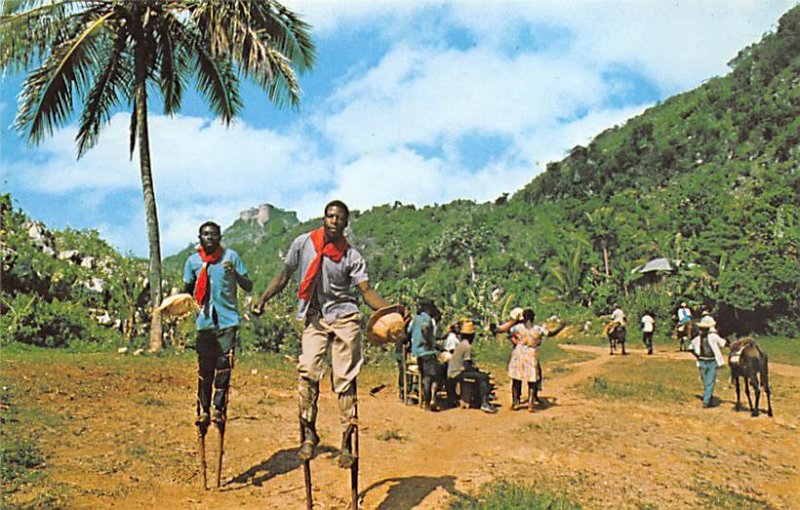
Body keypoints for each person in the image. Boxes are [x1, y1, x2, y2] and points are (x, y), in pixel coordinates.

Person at [252, 200, 389, 469]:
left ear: (346, 223)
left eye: (339, 218)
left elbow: (366, 292)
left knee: (344, 379)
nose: (334, 221)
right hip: (315, 316)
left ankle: (347, 441)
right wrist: (264, 297)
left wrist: (390, 311)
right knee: (308, 372)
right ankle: (309, 432)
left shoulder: (352, 257)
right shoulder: (303, 243)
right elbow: (284, 275)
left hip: (345, 317)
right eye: (330, 216)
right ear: (323, 218)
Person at [183, 221, 252, 426]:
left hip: (227, 320)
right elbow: (187, 289)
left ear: (220, 237)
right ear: (200, 238)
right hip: (204, 321)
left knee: (224, 365)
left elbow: (248, 285)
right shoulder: (193, 261)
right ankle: (203, 409)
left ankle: (218, 408)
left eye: (213, 234)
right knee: (205, 367)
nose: (209, 237)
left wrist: (235, 274)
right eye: (205, 234)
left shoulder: (231, 257)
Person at [495, 307, 546, 412]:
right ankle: (531, 404)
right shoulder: (538, 329)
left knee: (516, 378)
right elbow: (548, 335)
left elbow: (502, 330)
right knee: (532, 379)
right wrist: (561, 327)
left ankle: (515, 403)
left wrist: (512, 322)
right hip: (531, 353)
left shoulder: (517, 327)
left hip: (519, 353)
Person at [447, 319, 498, 414]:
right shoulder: (467, 347)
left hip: (454, 371)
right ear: (472, 336)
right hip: (457, 372)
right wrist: (477, 371)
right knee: (483, 377)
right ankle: (484, 403)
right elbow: (467, 365)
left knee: (479, 375)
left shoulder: (461, 344)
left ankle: (480, 399)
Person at [408, 299, 443, 411]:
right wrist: (432, 343)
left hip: (416, 354)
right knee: (435, 376)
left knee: (425, 377)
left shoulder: (415, 319)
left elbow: (408, 332)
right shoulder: (427, 319)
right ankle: (430, 401)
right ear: (428, 309)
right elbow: (424, 329)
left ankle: (426, 401)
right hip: (427, 352)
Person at [688, 316, 727, 408]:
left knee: (710, 381)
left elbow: (723, 343)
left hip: (712, 361)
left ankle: (706, 402)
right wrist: (697, 356)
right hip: (702, 361)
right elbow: (690, 348)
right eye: (701, 329)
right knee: (705, 381)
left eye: (704, 329)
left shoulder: (713, 337)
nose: (702, 331)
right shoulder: (696, 339)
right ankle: (709, 397)